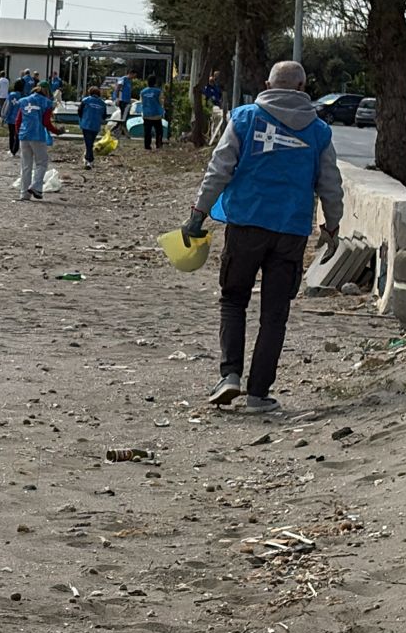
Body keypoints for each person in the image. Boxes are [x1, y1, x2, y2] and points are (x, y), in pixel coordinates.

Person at [182, 59, 343, 415]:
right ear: (302, 88)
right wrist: (331, 228)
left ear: (268, 84)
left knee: (233, 299)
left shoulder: (244, 119)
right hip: (291, 232)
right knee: (275, 314)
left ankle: (230, 376)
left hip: (245, 225)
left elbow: (219, 169)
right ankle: (258, 394)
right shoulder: (318, 132)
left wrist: (198, 214)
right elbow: (331, 185)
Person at [14, 76, 55, 200]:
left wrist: (18, 133)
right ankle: (36, 186)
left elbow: (18, 120)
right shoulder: (47, 103)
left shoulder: (24, 101)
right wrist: (57, 131)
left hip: (24, 135)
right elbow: (46, 122)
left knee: (26, 165)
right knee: (41, 163)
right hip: (37, 135)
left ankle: (24, 193)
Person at [78, 80, 108, 168]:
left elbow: (79, 111)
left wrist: (83, 118)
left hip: (86, 124)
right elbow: (104, 115)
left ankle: (89, 160)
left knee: (88, 143)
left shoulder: (85, 100)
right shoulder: (102, 103)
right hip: (96, 126)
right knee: (90, 142)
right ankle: (88, 159)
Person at [138, 79, 165, 150]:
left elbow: (141, 102)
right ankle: (158, 144)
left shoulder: (142, 92)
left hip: (146, 114)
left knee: (147, 131)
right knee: (159, 130)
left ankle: (147, 146)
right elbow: (161, 101)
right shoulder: (158, 91)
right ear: (155, 83)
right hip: (156, 114)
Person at [2, 87, 22, 157]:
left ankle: (11, 149)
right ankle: (15, 149)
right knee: (17, 135)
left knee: (11, 134)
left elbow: (7, 106)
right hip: (20, 119)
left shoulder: (11, 95)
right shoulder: (24, 95)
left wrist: (4, 116)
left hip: (11, 118)